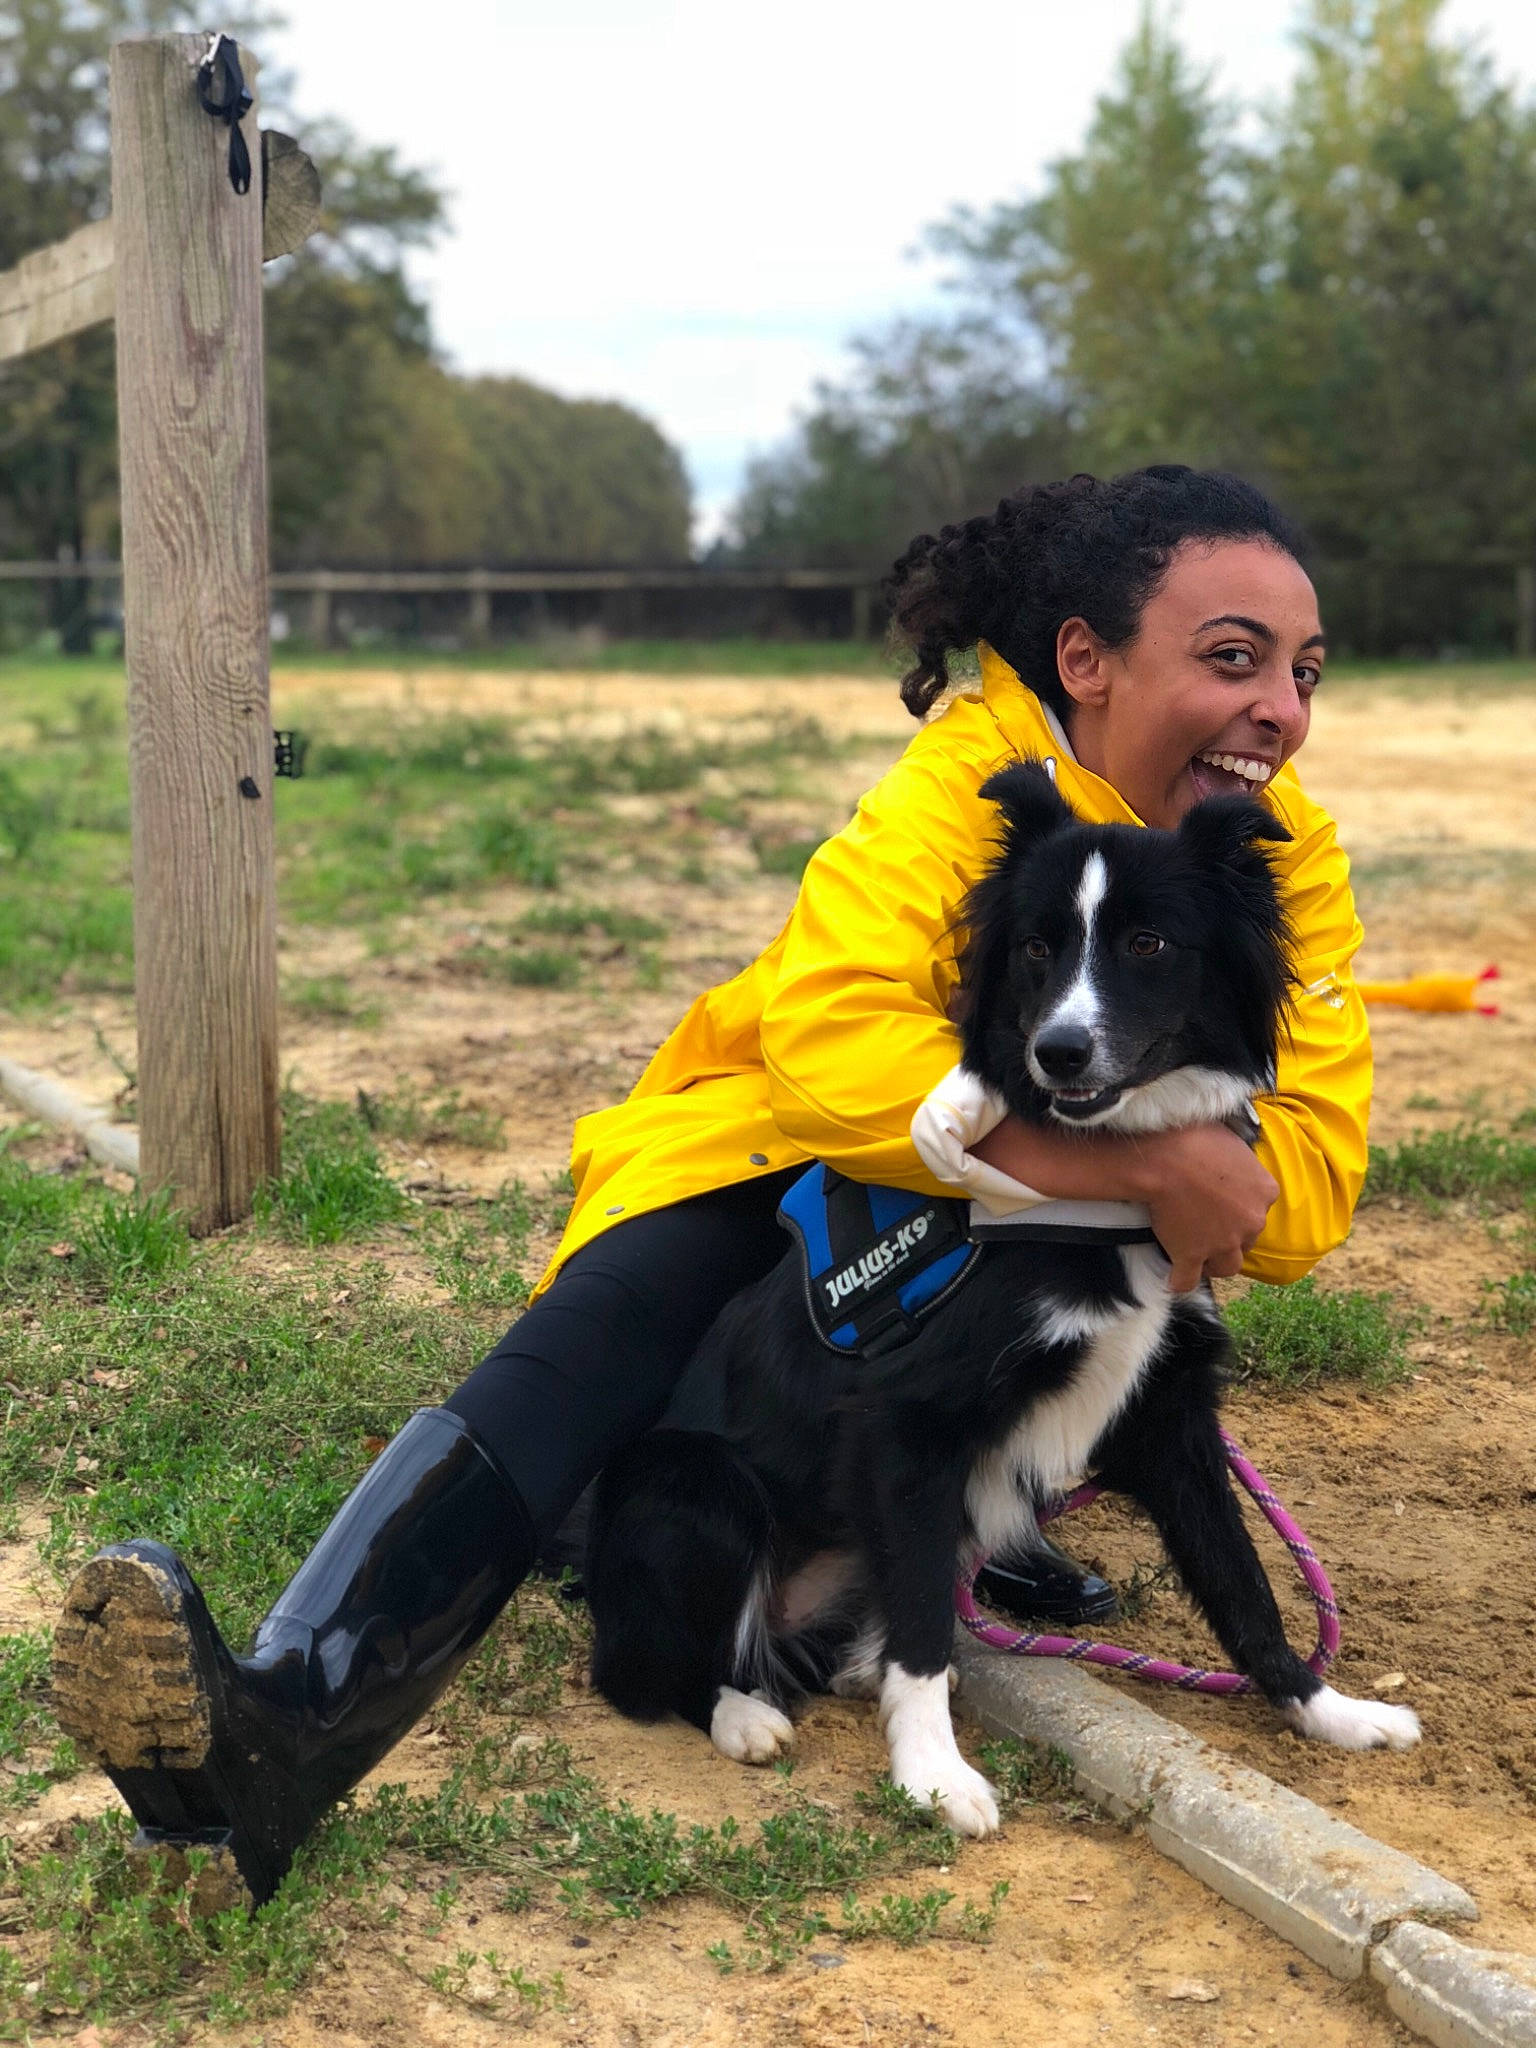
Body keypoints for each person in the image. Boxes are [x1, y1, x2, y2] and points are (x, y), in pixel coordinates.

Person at [53, 466, 1368, 1909]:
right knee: (608, 1339)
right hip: (781, 1149)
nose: (1280, 711)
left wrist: (1174, 1174)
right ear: (1087, 661)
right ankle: (294, 1708)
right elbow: (829, 1051)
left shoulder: (1277, 853)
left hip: (987, 1223)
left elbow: (1306, 1190)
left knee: (1040, 1352)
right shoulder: (960, 788)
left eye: (1304, 673)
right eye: (1233, 659)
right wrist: (1148, 1162)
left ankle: (968, 1534)